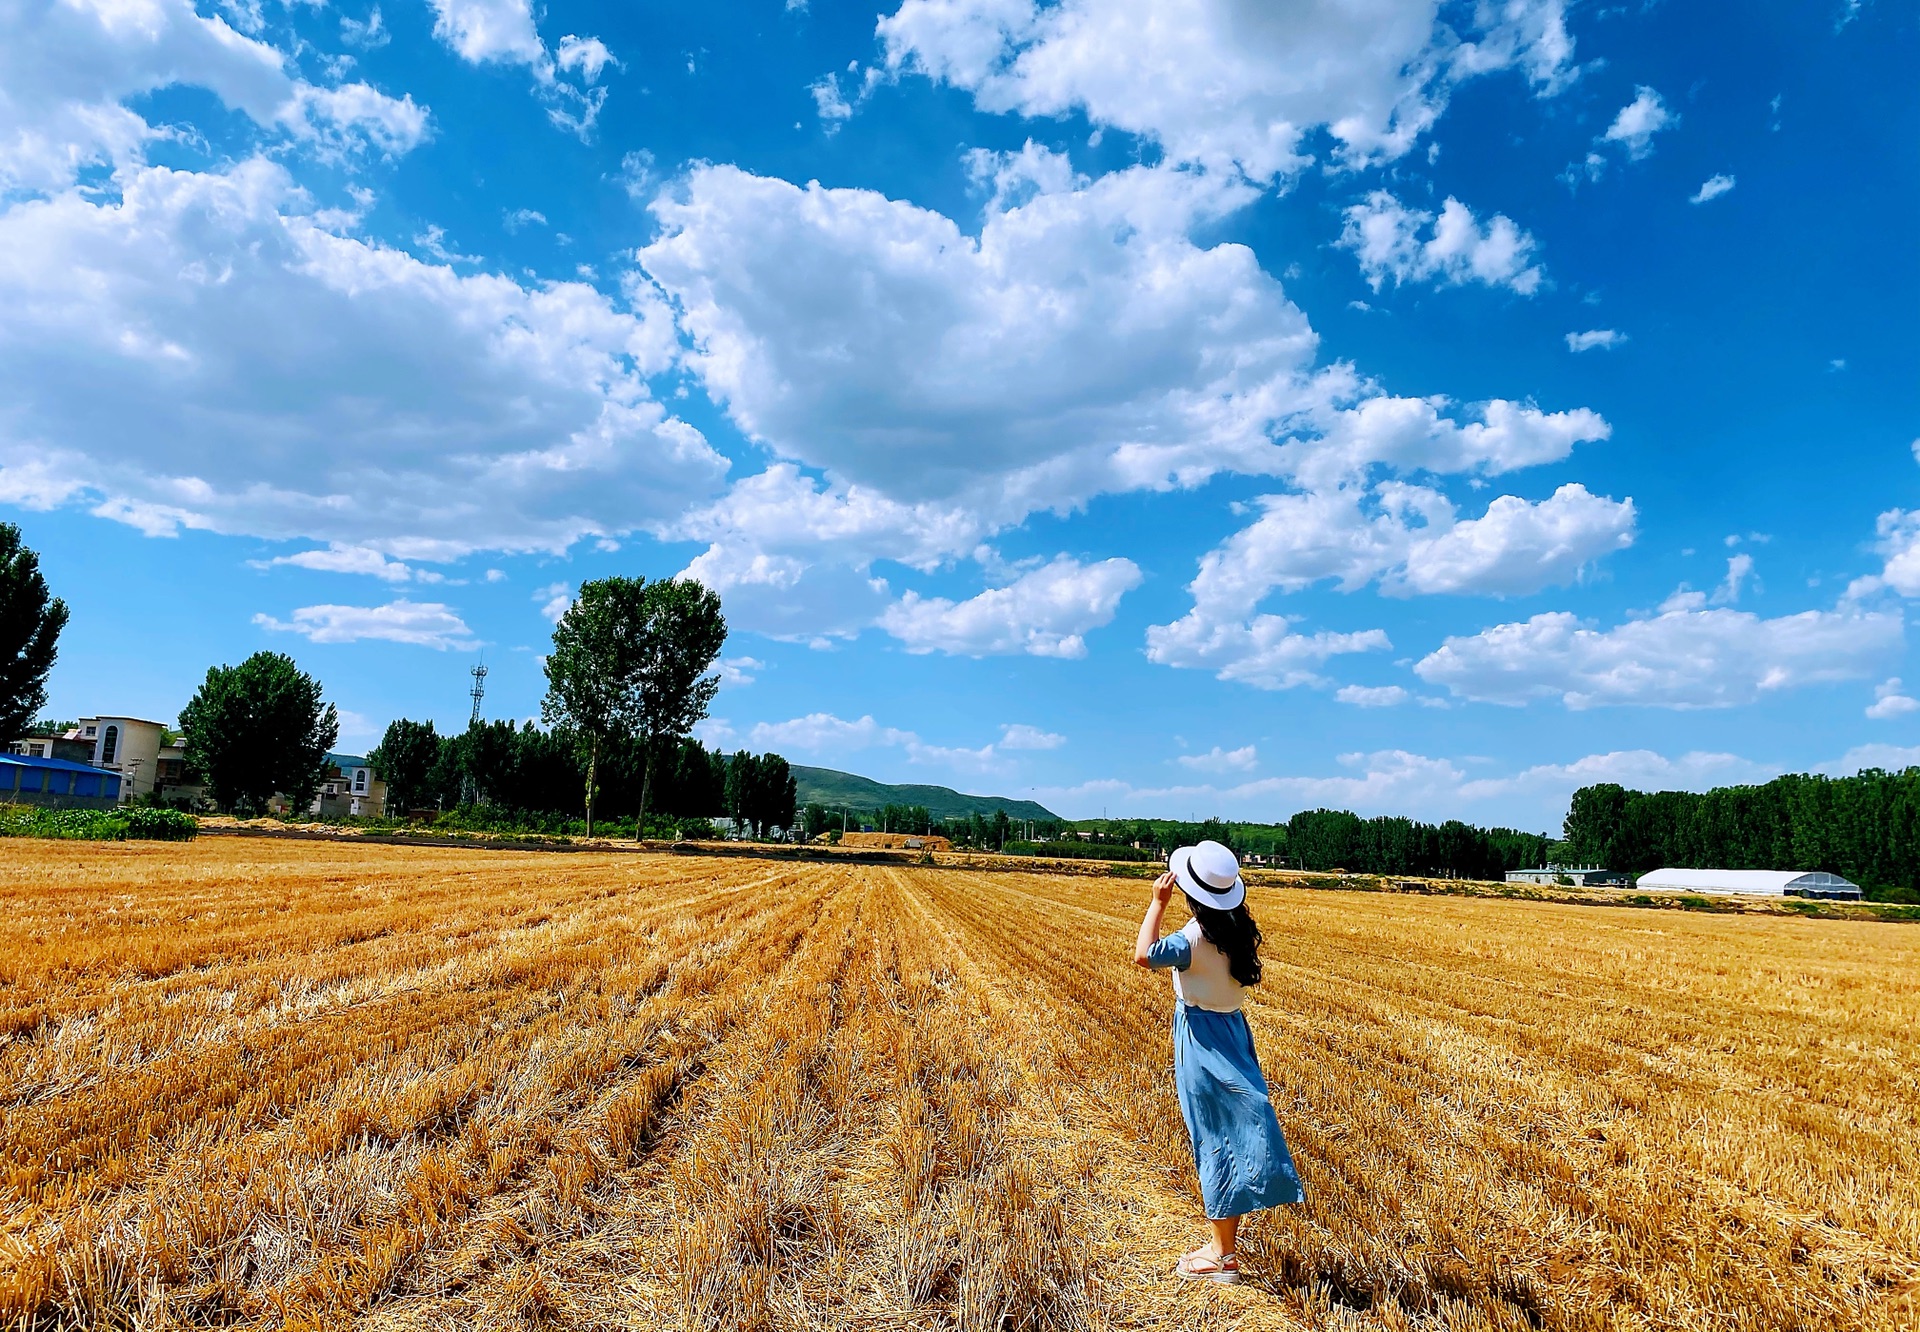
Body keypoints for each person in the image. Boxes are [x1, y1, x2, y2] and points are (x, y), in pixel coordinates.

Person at [1134, 839, 1303, 1284]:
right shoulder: (1237, 929)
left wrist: (1157, 903)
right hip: (1234, 1033)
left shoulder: (1191, 937)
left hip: (1201, 1040)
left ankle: (1221, 1255)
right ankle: (1224, 1245)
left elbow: (1143, 954)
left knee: (1212, 1139)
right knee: (1229, 1133)